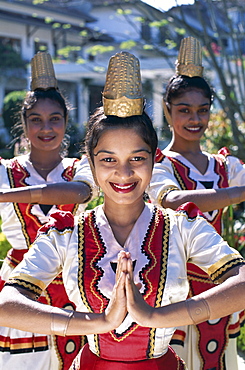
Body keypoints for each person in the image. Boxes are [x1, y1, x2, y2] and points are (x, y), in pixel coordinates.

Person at [0, 50, 244, 370]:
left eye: (137, 158)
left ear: (154, 159)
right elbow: (7, 304)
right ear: (90, 162)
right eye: (109, 160)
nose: (124, 174)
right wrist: (98, 323)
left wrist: (157, 316)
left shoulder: (184, 227)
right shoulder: (66, 233)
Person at [148, 36, 245, 369]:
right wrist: (234, 194)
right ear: (167, 110)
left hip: (223, 285)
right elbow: (174, 200)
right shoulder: (161, 166)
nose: (195, 119)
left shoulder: (223, 166)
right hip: (178, 285)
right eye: (184, 110)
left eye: (202, 110)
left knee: (219, 357)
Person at [0, 52, 92, 370]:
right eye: (35, 119)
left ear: (66, 123)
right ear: (24, 125)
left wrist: (5, 196)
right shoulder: (4, 171)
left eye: (55, 118)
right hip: (20, 285)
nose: (46, 127)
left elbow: (79, 194)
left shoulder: (81, 168)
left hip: (72, 280)